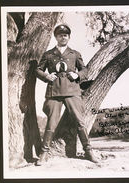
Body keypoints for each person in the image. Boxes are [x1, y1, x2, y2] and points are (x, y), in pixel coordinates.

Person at [35, 24, 97, 166]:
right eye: (60, 35)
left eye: (65, 35)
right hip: (54, 91)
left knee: (80, 121)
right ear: (56, 37)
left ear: (68, 37)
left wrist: (77, 74)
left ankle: (88, 151)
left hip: (72, 90)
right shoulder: (48, 54)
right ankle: (43, 154)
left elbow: (85, 70)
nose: (63, 37)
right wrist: (46, 76)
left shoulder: (74, 54)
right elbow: (38, 70)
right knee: (51, 123)